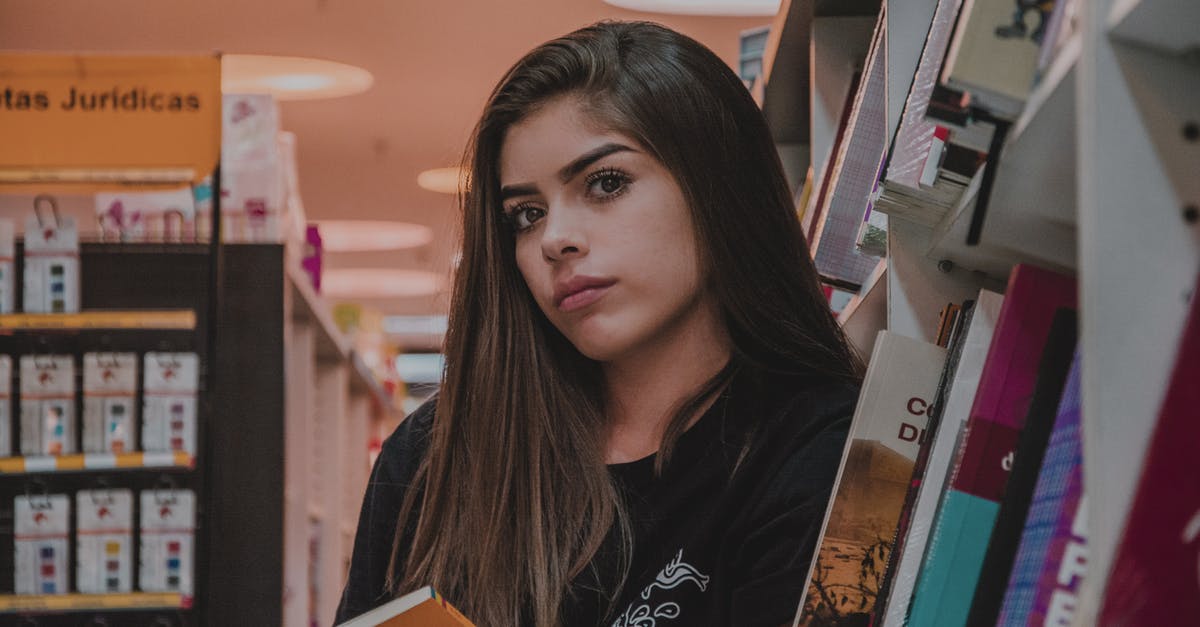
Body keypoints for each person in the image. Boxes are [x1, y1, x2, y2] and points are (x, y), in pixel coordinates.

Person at [335, 20, 863, 627]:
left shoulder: (820, 447)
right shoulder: (438, 453)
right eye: (526, 215)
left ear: (716, 186)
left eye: (605, 183)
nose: (554, 239)